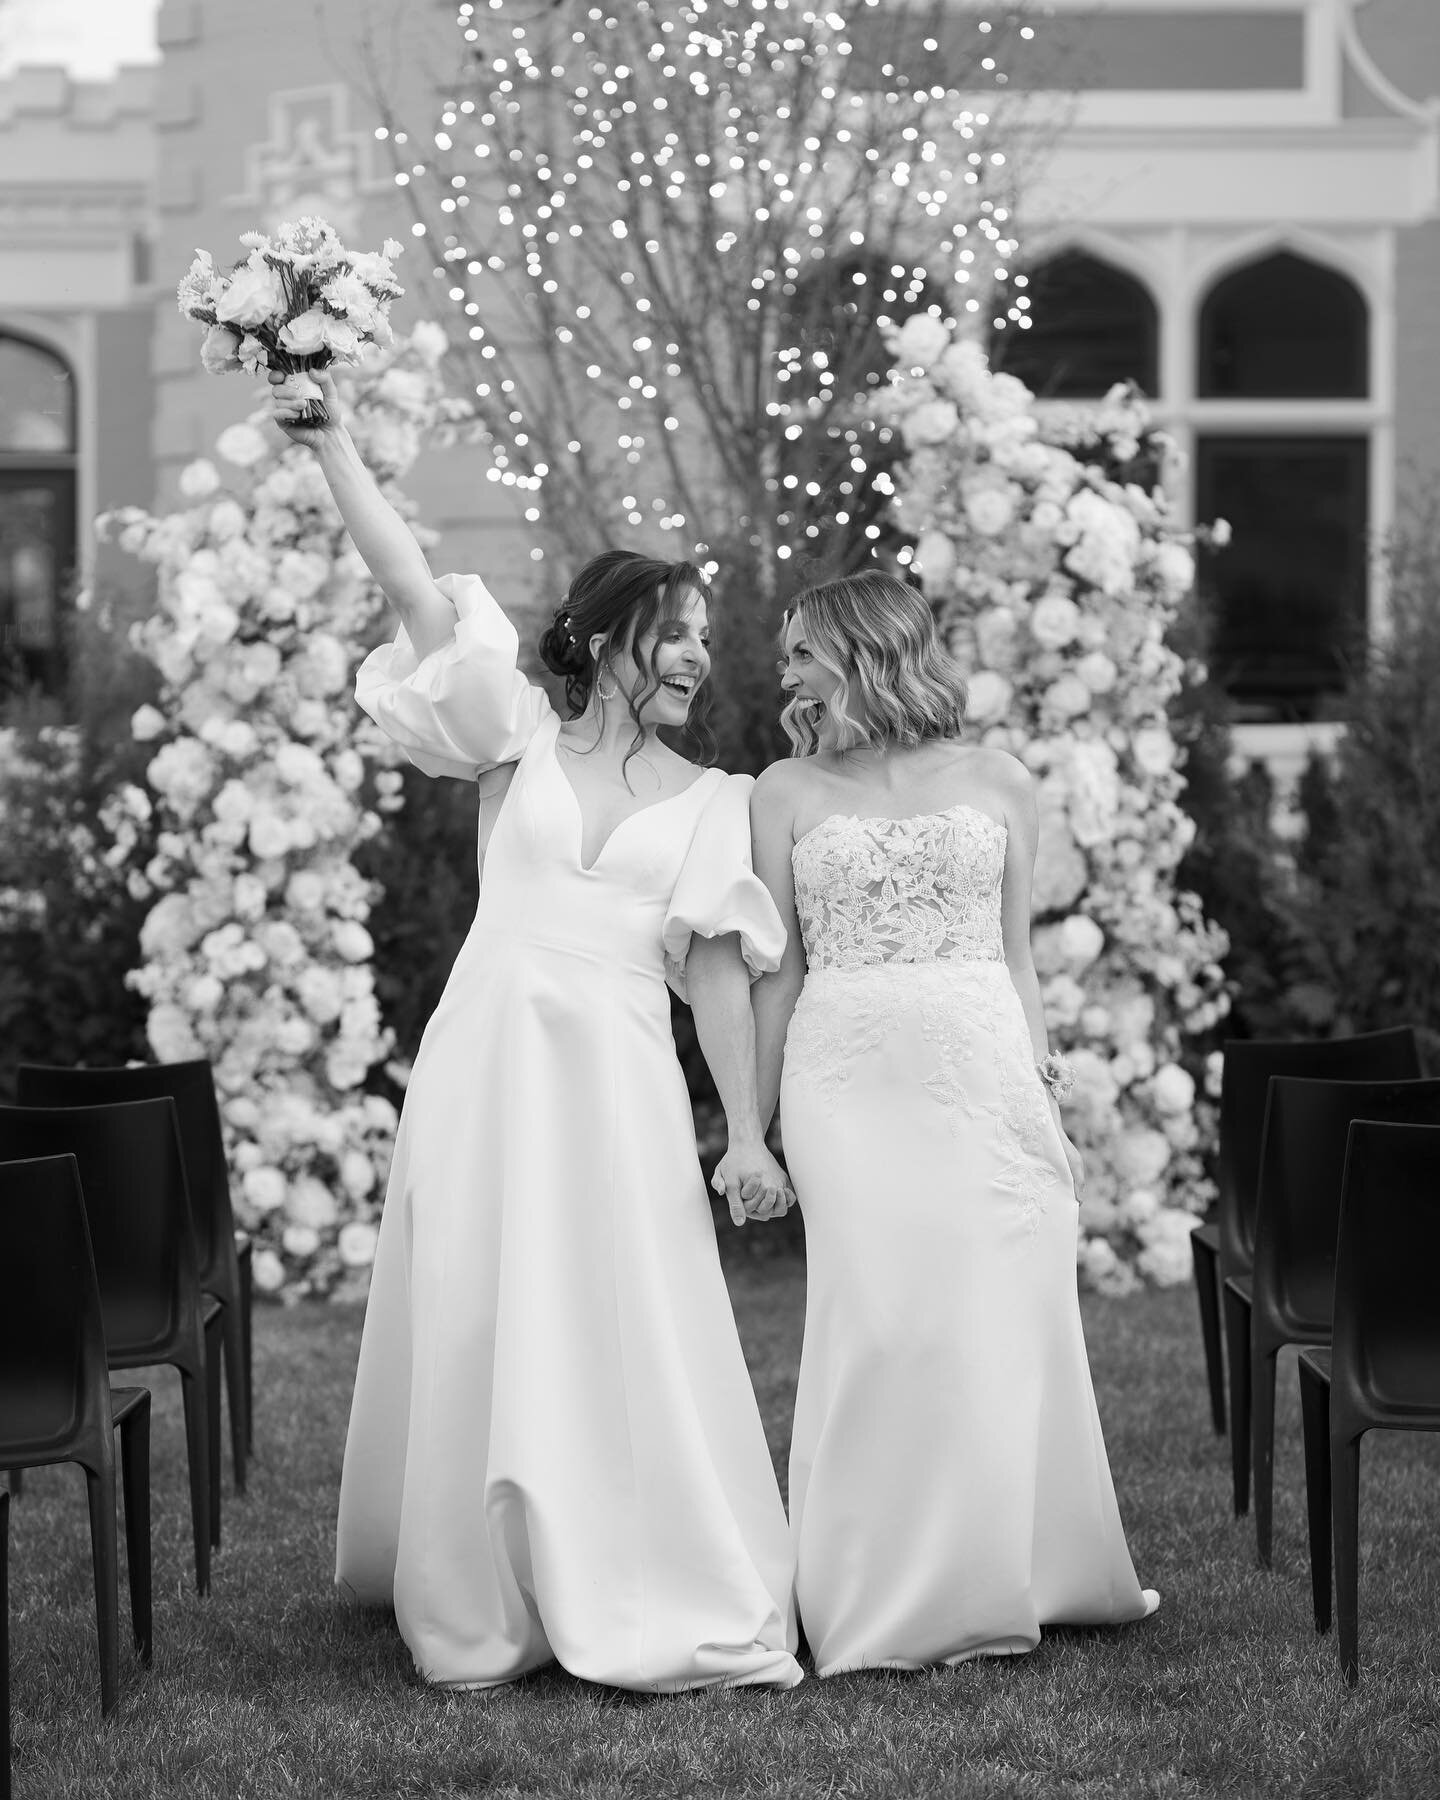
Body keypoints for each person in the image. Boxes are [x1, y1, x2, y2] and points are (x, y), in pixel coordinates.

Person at [267, 368, 802, 1692]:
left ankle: (636, 1566)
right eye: (674, 633)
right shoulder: (515, 740)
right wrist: (335, 452)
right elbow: (414, 593)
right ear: (611, 633)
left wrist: (746, 1135)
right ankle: (481, 1591)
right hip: (491, 1055)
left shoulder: (715, 798)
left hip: (617, 1075)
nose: (695, 658)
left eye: (703, 641)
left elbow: (718, 979)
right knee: (480, 1303)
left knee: (618, 1313)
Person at [748, 569, 1159, 1676]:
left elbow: (1016, 954)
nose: (783, 673)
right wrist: (752, 1118)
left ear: (861, 649)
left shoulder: (999, 778)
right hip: (844, 1073)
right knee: (879, 1323)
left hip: (980, 1067)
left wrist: (1038, 1084)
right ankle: (869, 1589)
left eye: (799, 652)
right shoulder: (784, 790)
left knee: (990, 1319)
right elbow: (776, 972)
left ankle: (1014, 1571)